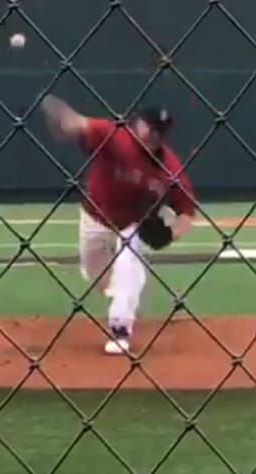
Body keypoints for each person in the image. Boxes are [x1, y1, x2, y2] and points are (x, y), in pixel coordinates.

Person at [40, 95, 198, 355]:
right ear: (137, 123)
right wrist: (64, 120)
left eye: (159, 131)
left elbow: (185, 212)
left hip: (130, 224)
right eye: (149, 126)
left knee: (128, 266)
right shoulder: (113, 136)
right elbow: (79, 124)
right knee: (98, 278)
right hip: (95, 217)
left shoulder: (168, 169)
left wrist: (170, 234)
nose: (152, 134)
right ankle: (125, 289)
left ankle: (121, 329)